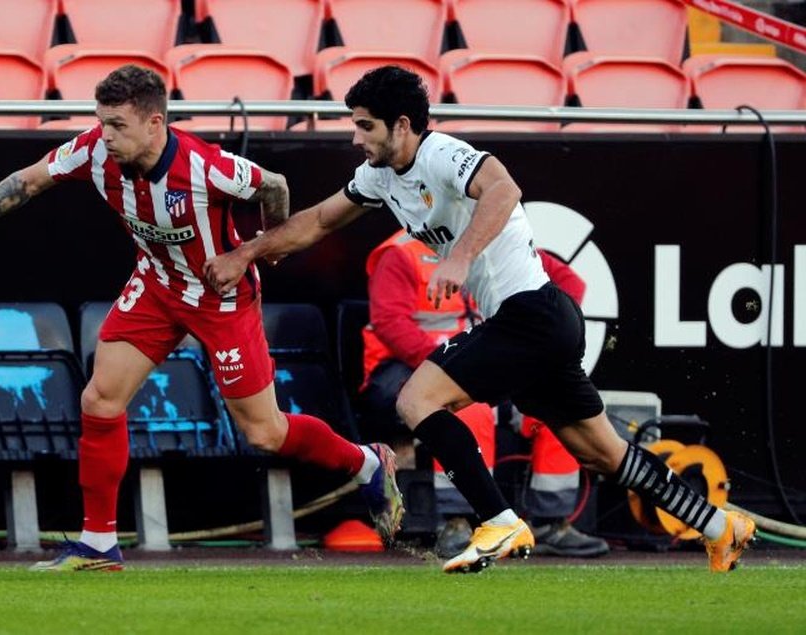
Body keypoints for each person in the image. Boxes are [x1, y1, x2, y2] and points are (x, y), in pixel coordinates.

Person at [203, 65, 755, 574]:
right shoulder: (379, 176)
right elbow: (319, 221)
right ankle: (720, 525)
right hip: (542, 323)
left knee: (417, 400)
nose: (355, 138)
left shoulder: (442, 152)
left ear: (401, 126)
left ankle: (498, 520)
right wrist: (246, 253)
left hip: (529, 315)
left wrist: (461, 255)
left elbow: (504, 188)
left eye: (365, 126)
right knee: (601, 451)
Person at [0, 65, 404, 571]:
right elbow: (31, 179)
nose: (105, 136)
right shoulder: (93, 150)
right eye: (101, 122)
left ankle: (367, 461)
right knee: (100, 399)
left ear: (154, 124)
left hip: (222, 299)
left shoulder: (204, 166)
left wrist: (267, 245)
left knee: (264, 432)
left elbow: (274, 185)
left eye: (118, 126)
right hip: (156, 288)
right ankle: (98, 545)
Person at [361, 229, 608, 558]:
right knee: (468, 409)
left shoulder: (497, 239)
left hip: (485, 362)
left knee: (555, 402)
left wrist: (537, 337)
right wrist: (454, 364)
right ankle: (458, 522)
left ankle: (551, 522)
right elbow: (390, 322)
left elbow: (569, 285)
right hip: (404, 370)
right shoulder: (401, 253)